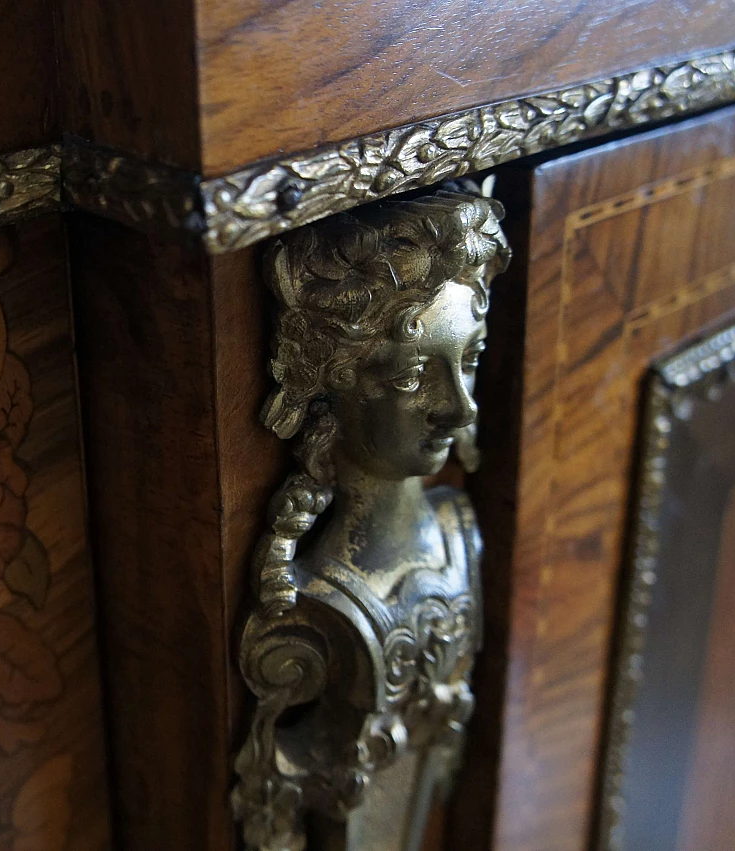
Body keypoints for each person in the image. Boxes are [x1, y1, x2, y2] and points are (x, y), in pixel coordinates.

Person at [233, 183, 511, 851]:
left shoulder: (458, 534)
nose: (462, 408)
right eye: (415, 376)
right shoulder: (321, 596)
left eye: (469, 361)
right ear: (331, 377)